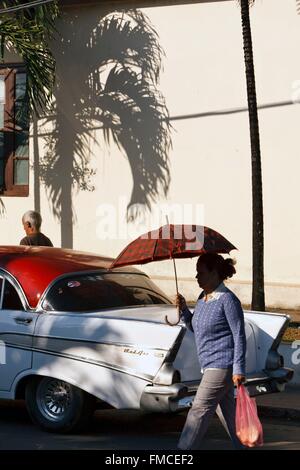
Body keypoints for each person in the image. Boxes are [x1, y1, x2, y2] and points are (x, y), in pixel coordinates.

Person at [176, 253, 246, 450]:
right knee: (231, 419)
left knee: (198, 410)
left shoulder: (228, 300)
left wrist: (239, 369)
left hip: (222, 365)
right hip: (209, 365)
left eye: (201, 273)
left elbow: (239, 335)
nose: (196, 277)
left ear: (215, 273)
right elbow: (196, 327)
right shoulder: (202, 298)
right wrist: (183, 310)